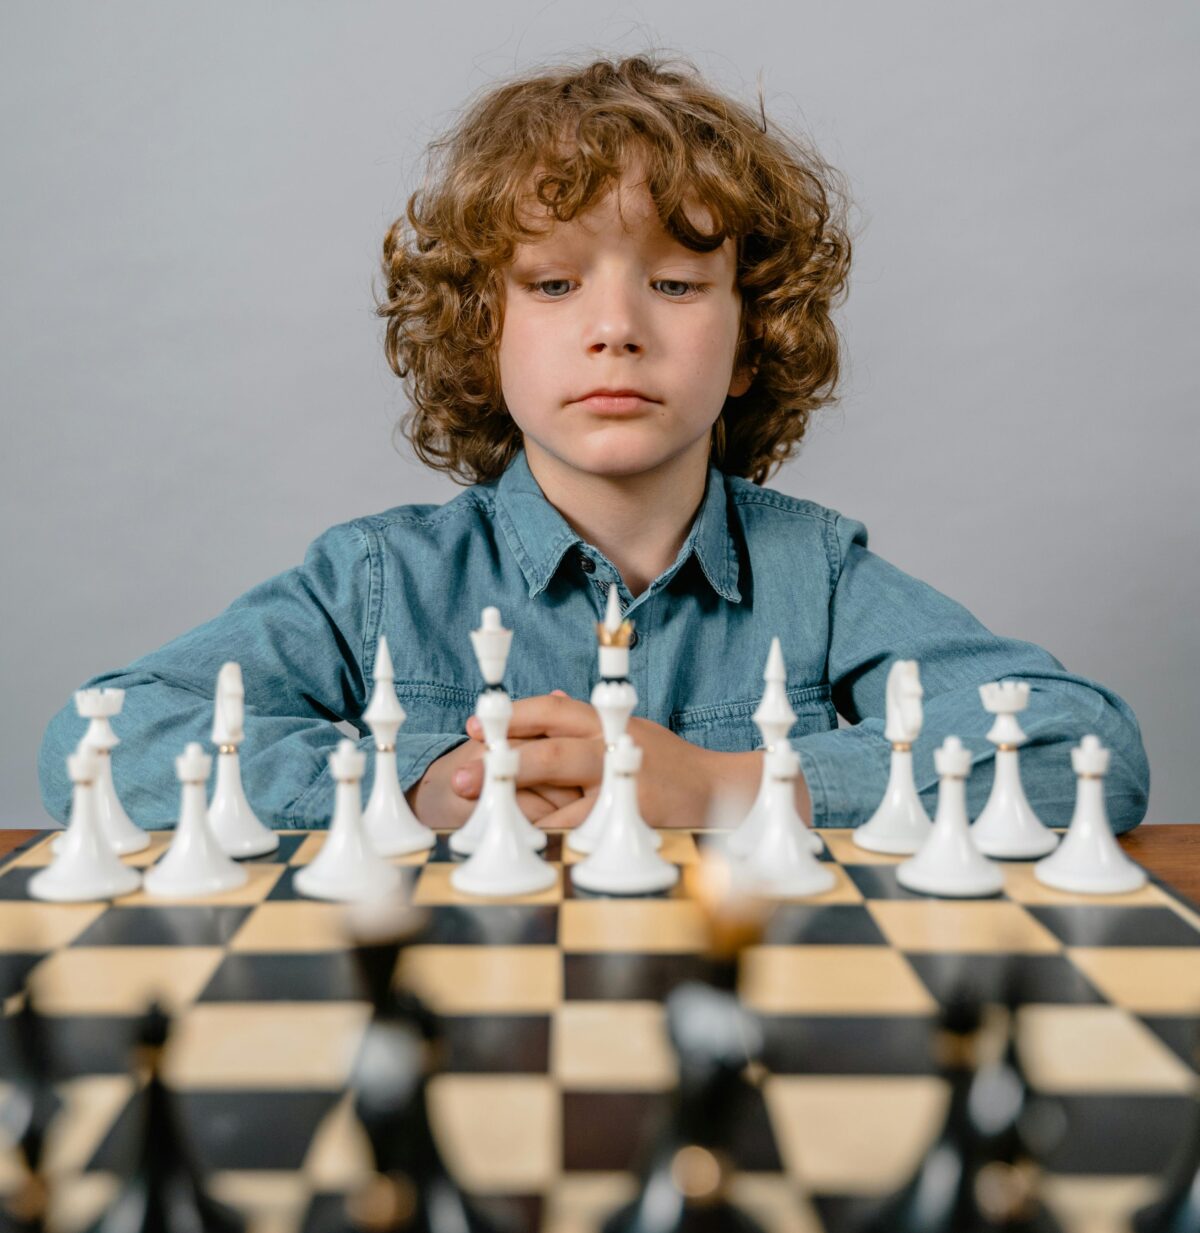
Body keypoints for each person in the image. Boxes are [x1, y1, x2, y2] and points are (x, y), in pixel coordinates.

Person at [38, 53, 1150, 834]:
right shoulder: (378, 582)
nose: (617, 327)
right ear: (484, 335)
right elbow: (100, 736)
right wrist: (406, 789)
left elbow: (1083, 751)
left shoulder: (816, 578)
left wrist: (728, 787)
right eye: (555, 283)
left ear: (754, 336)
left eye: (674, 281)